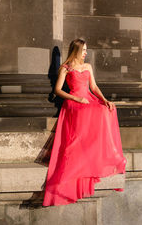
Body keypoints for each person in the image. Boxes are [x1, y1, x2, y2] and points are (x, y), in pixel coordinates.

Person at [43, 38, 127, 206]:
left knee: (106, 109)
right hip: (74, 101)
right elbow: (58, 90)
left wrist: (104, 100)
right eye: (83, 50)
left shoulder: (87, 66)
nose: (86, 53)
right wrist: (76, 98)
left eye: (86, 50)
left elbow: (94, 88)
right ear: (76, 51)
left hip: (88, 98)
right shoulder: (65, 68)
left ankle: (102, 152)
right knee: (89, 110)